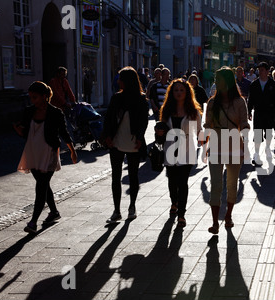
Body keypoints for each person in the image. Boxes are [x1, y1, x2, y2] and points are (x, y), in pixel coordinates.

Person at [14, 81, 78, 234]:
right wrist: (18, 129)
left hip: (48, 152)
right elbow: (24, 131)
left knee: (41, 186)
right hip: (32, 152)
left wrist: (72, 150)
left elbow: (64, 132)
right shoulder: (29, 111)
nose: (32, 100)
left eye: (35, 97)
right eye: (31, 97)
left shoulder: (55, 112)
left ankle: (33, 222)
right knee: (43, 184)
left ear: (44, 96)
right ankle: (54, 212)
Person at [204, 67, 250, 234]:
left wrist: (245, 135)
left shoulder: (239, 102)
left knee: (232, 184)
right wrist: (203, 138)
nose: (216, 82)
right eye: (215, 79)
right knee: (216, 184)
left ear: (228, 81)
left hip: (234, 146)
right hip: (216, 146)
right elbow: (207, 124)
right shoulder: (212, 102)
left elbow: (244, 122)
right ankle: (215, 222)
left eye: (219, 79)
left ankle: (229, 215)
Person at [101, 67, 149, 223]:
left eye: (120, 78)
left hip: (134, 141)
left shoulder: (141, 99)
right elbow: (108, 118)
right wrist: (107, 136)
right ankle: (116, 210)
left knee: (134, 175)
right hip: (116, 141)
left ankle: (132, 207)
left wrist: (140, 137)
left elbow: (143, 121)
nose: (118, 81)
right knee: (116, 176)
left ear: (127, 80)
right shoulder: (116, 98)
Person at [157, 79, 203, 228]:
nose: (178, 92)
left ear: (187, 92)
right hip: (170, 148)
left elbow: (199, 130)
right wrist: (159, 131)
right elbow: (161, 127)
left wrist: (203, 140)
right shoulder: (167, 109)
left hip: (187, 150)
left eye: (181, 90)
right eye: (176, 90)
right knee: (172, 181)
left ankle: (181, 214)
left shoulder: (193, 111)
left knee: (183, 183)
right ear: (172, 92)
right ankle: (174, 202)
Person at [247, 62, 275, 165]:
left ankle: (267, 149)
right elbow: (251, 99)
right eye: (259, 70)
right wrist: (249, 111)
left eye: (262, 70)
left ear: (267, 71)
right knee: (257, 133)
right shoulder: (254, 84)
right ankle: (257, 154)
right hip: (258, 112)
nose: (260, 72)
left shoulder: (273, 84)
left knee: (268, 133)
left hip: (270, 112)